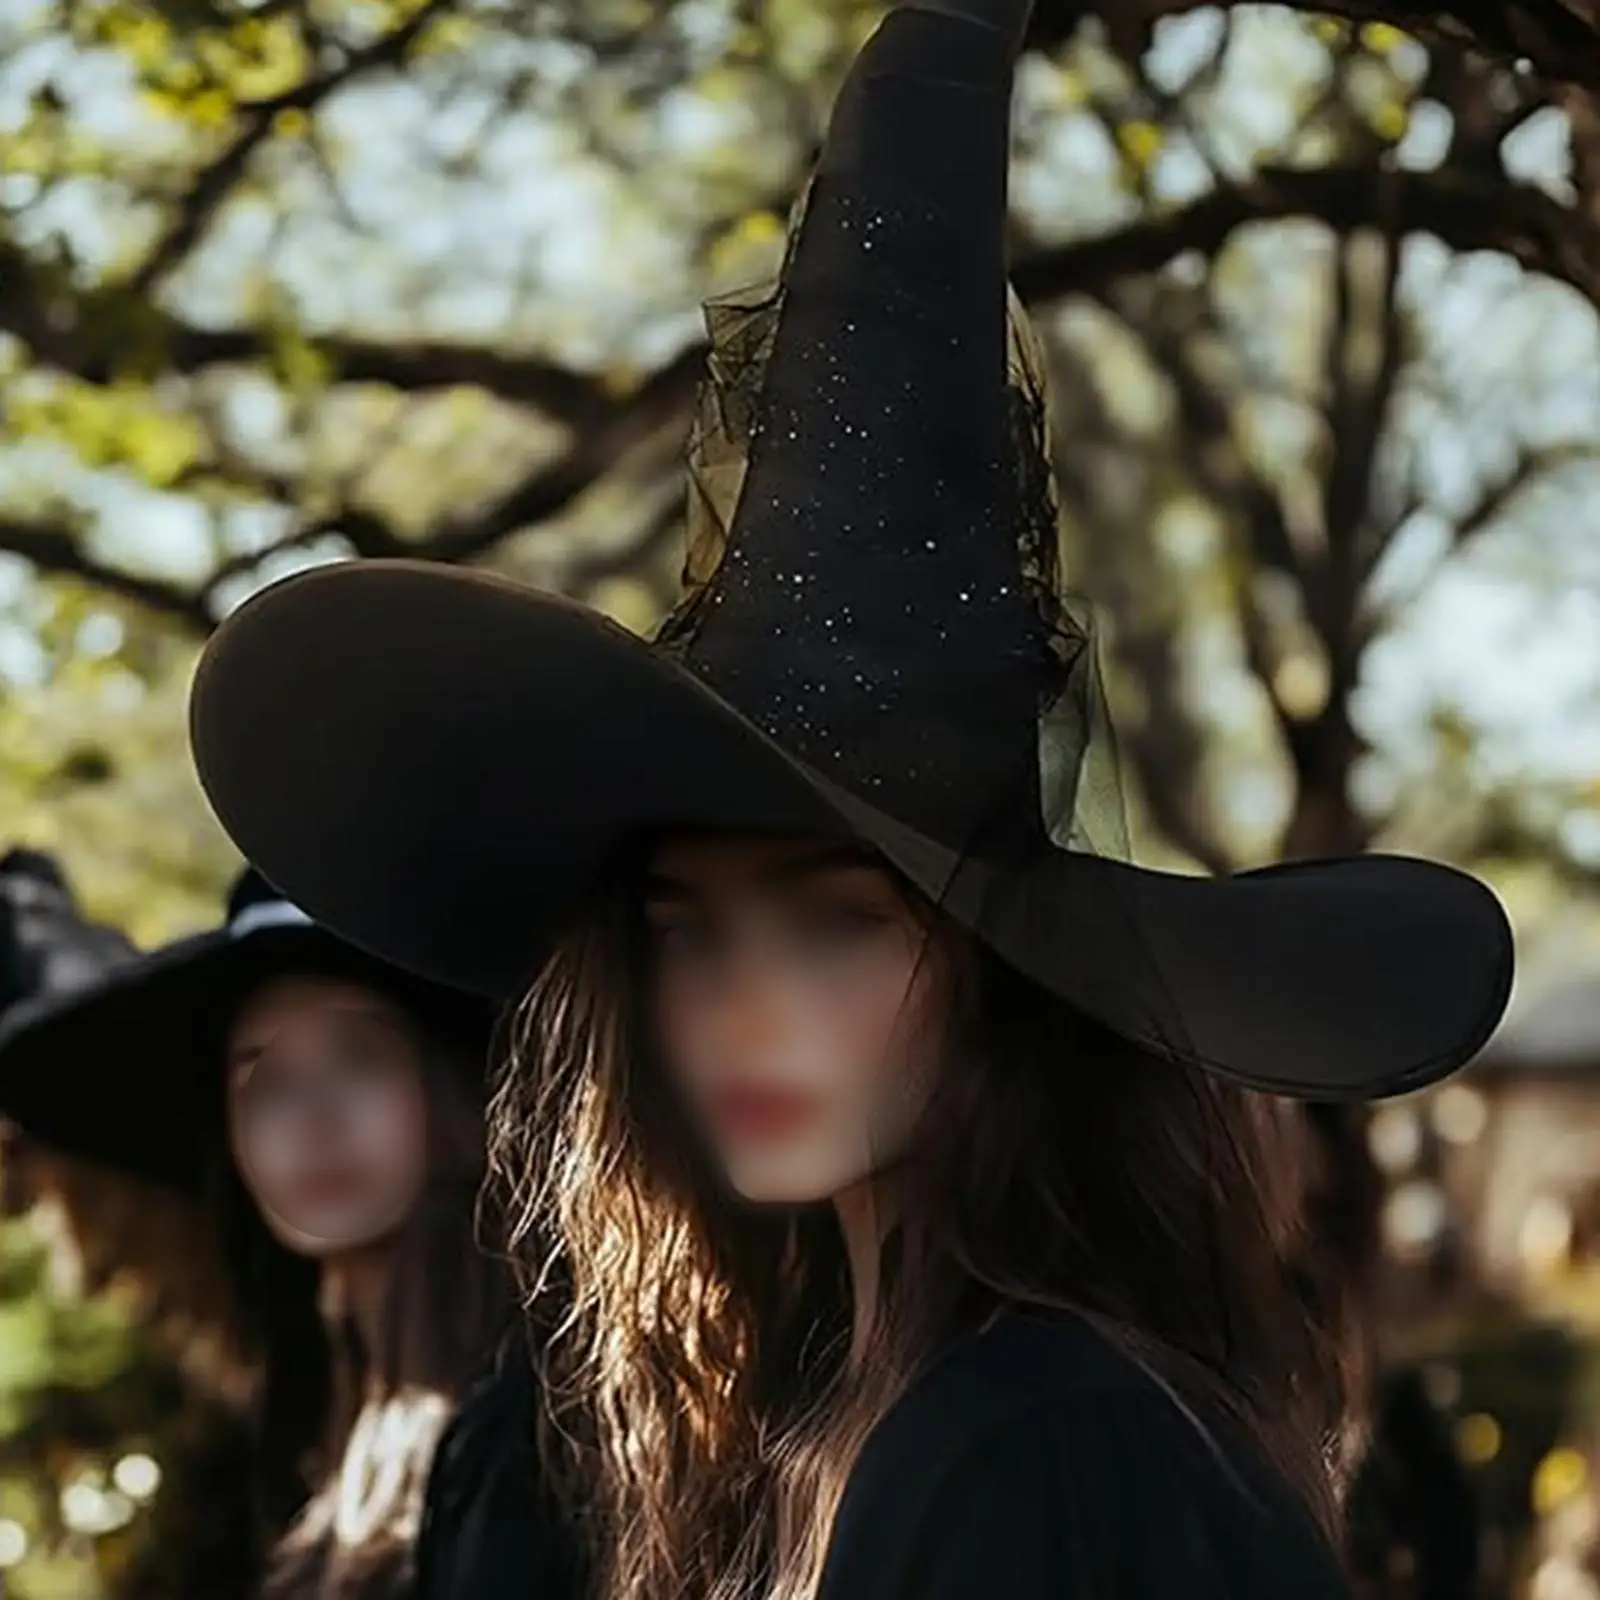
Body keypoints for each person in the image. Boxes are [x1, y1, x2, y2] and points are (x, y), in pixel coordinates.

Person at [186, 0, 1515, 1594]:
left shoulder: (1038, 1436)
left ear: (995, 972)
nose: (747, 1008)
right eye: (691, 935)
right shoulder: (823, 1419)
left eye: (833, 925)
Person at [0, 866, 511, 1599]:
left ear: (453, 1085)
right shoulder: (306, 1420)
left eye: (358, 1058)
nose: (312, 1117)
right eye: (265, 1084)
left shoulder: (543, 1415)